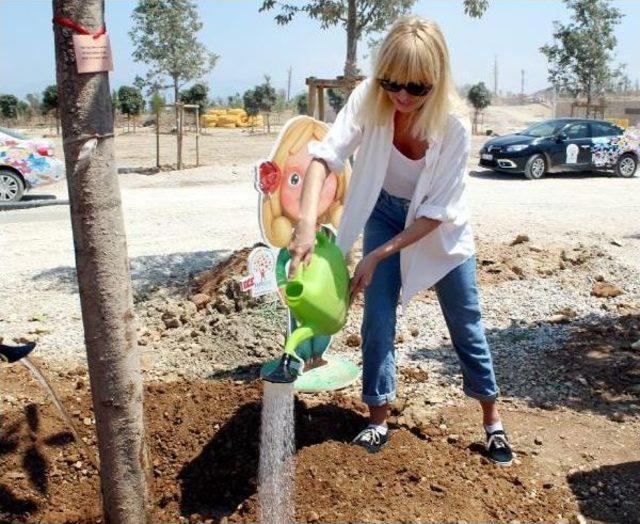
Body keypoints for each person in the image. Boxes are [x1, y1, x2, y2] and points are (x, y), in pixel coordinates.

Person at [287, 16, 513, 466]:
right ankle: (377, 418)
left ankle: (492, 422)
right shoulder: (368, 98)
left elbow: (436, 213)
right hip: (385, 212)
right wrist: (307, 224)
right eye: (392, 82)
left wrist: (376, 255)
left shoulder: (453, 127)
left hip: (439, 229)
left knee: (465, 323)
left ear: (436, 80)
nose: (402, 96)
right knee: (376, 317)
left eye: (416, 87)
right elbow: (323, 158)